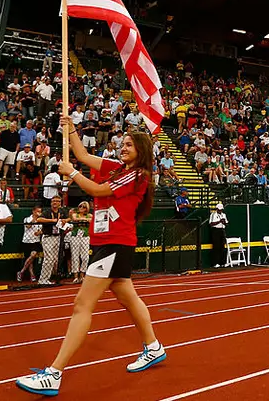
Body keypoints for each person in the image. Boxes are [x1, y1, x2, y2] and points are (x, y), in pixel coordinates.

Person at [16, 116, 166, 396]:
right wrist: (70, 128)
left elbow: (97, 189)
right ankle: (154, 347)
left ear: (141, 150)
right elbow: (83, 154)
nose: (123, 148)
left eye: (130, 145)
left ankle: (54, 373)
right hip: (109, 243)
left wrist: (71, 173)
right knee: (128, 297)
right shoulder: (115, 167)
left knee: (82, 305)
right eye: (122, 144)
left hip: (114, 243)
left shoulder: (138, 175)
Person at [37, 195, 68, 285]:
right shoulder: (47, 212)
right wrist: (53, 220)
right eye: (53, 201)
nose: (55, 202)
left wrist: (64, 221)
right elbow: (39, 219)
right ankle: (43, 279)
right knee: (49, 258)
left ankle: (48, 278)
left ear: (60, 203)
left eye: (57, 201)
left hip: (58, 236)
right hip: (48, 236)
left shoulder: (62, 212)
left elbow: (69, 218)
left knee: (54, 259)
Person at [17, 205, 44, 282]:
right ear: (33, 211)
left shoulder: (41, 220)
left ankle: (21, 271)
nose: (39, 213)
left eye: (40, 211)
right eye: (37, 211)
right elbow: (28, 226)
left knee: (33, 255)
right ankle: (32, 275)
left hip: (36, 241)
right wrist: (34, 219)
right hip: (27, 241)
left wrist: (39, 232)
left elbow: (43, 230)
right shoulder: (27, 219)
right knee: (30, 260)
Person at [69, 202, 92, 284]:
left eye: (84, 207)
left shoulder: (89, 215)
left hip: (85, 236)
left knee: (85, 257)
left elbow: (91, 219)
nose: (81, 208)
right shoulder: (75, 214)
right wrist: (85, 220)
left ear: (87, 208)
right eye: (80, 206)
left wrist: (85, 219)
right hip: (75, 236)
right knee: (75, 256)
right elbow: (74, 219)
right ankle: (75, 276)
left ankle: (82, 275)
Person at [209, 203, 228, 268]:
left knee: (222, 247)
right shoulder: (213, 214)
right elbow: (211, 224)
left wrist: (224, 222)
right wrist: (219, 221)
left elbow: (226, 223)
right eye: (219, 209)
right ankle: (215, 262)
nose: (220, 211)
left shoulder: (224, 215)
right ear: (217, 209)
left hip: (222, 230)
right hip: (215, 231)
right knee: (216, 247)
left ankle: (222, 262)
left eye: (221, 209)